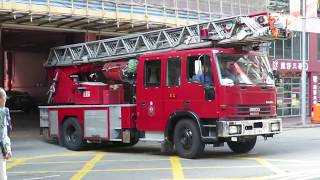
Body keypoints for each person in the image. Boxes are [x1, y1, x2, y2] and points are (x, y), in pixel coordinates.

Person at [0, 88, 12, 180]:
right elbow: (3, 135)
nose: (6, 100)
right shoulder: (2, 113)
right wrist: (7, 150)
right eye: (4, 98)